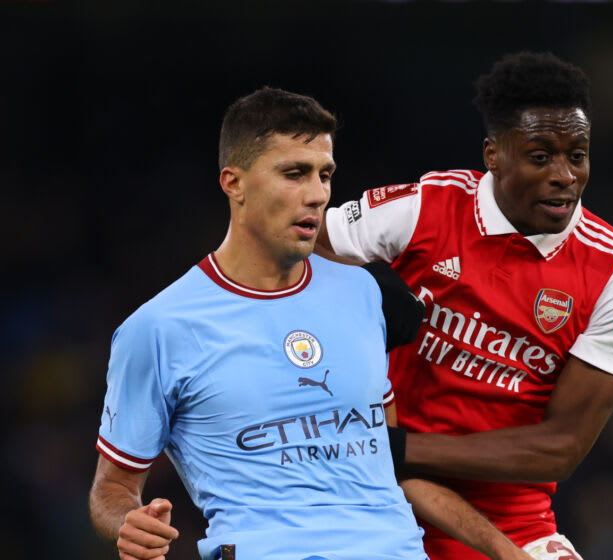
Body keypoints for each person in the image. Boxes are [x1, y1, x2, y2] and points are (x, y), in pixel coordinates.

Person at [88, 87, 534, 560]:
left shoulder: (363, 293)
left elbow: (387, 465)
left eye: (325, 175)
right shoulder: (158, 328)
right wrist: (128, 523)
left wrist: (508, 552)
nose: (318, 194)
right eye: (294, 174)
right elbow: (112, 488)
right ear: (233, 183)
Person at [318, 52, 613, 560]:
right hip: (371, 498)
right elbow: (301, 248)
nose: (565, 176)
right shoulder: (428, 206)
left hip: (510, 519)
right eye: (541, 157)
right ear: (494, 154)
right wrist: (362, 287)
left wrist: (394, 447)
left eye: (578, 155)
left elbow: (560, 446)